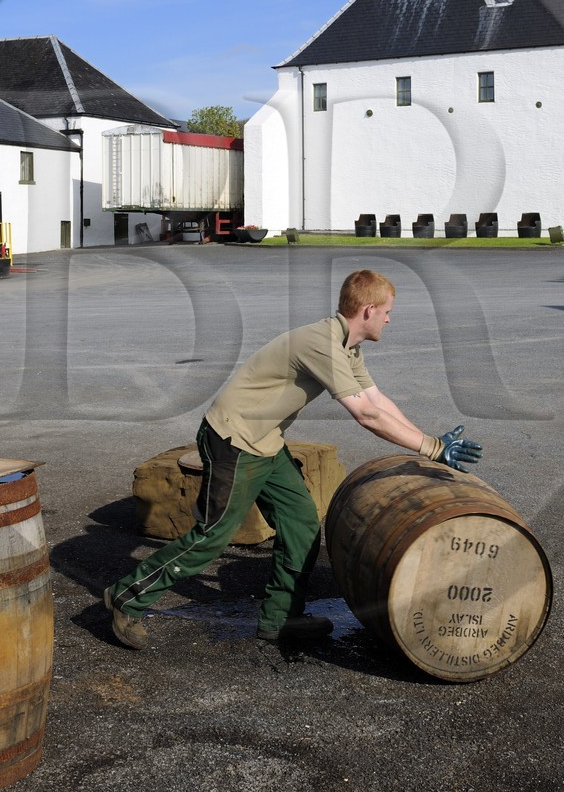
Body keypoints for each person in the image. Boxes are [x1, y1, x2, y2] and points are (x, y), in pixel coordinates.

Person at [103, 268, 483, 648]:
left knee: (300, 522)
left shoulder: (348, 347)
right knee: (212, 538)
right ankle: (126, 597)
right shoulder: (323, 344)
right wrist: (430, 447)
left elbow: (376, 400)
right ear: (368, 310)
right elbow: (366, 415)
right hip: (234, 441)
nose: (389, 319)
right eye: (387, 312)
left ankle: (281, 618)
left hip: (266, 441)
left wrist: (433, 443)